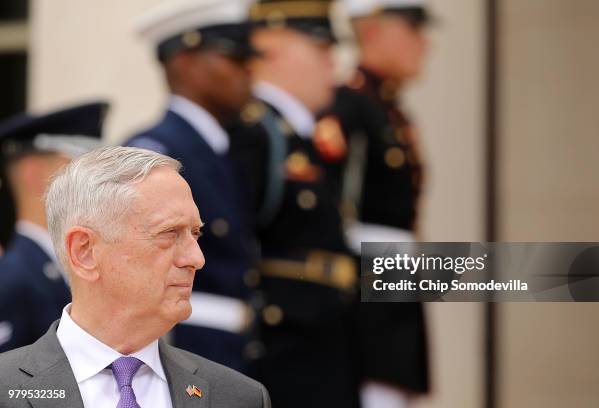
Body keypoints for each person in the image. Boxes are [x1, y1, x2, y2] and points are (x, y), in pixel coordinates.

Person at [0, 146, 271, 408]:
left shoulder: (239, 398)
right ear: (84, 252)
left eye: (195, 234)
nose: (196, 259)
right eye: (169, 233)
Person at [230, 1, 360, 407]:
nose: (333, 64)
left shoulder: (306, 138)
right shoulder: (255, 132)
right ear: (270, 46)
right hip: (281, 345)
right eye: (320, 48)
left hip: (324, 338)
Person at [125, 0, 260, 372]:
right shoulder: (157, 152)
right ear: (184, 62)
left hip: (240, 347)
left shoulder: (228, 150)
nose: (249, 70)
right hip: (187, 345)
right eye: (233, 57)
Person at [321, 0, 433, 405]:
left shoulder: (387, 108)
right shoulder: (350, 104)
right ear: (371, 30)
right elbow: (335, 205)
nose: (425, 44)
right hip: (369, 279)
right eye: (411, 29)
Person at [0, 101, 106, 352]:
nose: (99, 183)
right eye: (79, 169)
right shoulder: (12, 281)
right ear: (35, 175)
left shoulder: (69, 268)